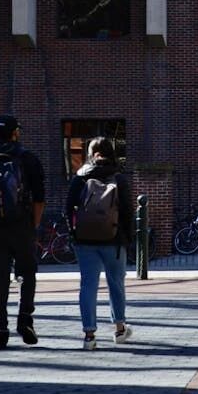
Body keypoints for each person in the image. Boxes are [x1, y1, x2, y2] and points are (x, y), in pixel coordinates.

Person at [0, 114, 45, 350]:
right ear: (15, 133)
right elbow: (39, 198)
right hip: (22, 225)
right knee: (27, 274)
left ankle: (0, 329)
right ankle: (25, 320)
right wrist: (33, 224)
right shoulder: (28, 158)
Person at [65, 137, 134, 350]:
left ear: (90, 154)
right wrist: (127, 239)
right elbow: (128, 211)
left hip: (85, 240)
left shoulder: (80, 177)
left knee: (88, 285)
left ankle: (89, 335)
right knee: (116, 284)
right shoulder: (118, 178)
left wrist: (74, 233)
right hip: (114, 240)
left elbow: (68, 208)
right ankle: (120, 329)